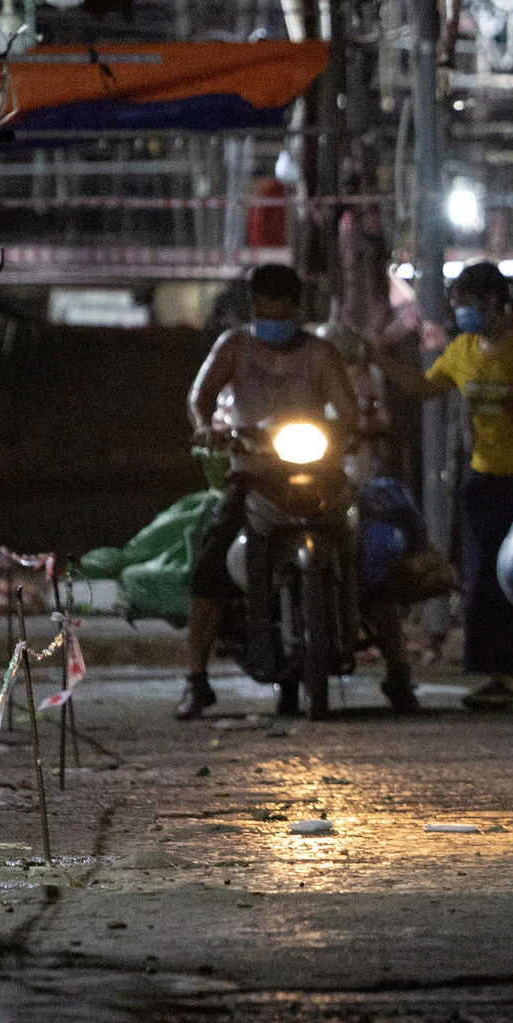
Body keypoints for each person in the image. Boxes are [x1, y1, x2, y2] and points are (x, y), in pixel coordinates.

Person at [177, 264, 396, 719]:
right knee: (211, 562)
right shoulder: (234, 347)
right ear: (253, 308)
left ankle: (399, 671)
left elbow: (348, 410)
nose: (271, 318)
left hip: (317, 470)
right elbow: (200, 396)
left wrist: (347, 430)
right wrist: (205, 427)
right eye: (264, 309)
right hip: (253, 470)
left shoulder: (320, 353)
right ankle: (195, 680)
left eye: (281, 310)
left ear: (296, 310)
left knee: (369, 554)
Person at [383, 262, 513, 711]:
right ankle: (497, 678)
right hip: (483, 481)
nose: (460, 313)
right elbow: (424, 388)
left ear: (492, 301)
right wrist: (379, 359)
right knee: (484, 581)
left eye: (465, 304)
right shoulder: (462, 351)